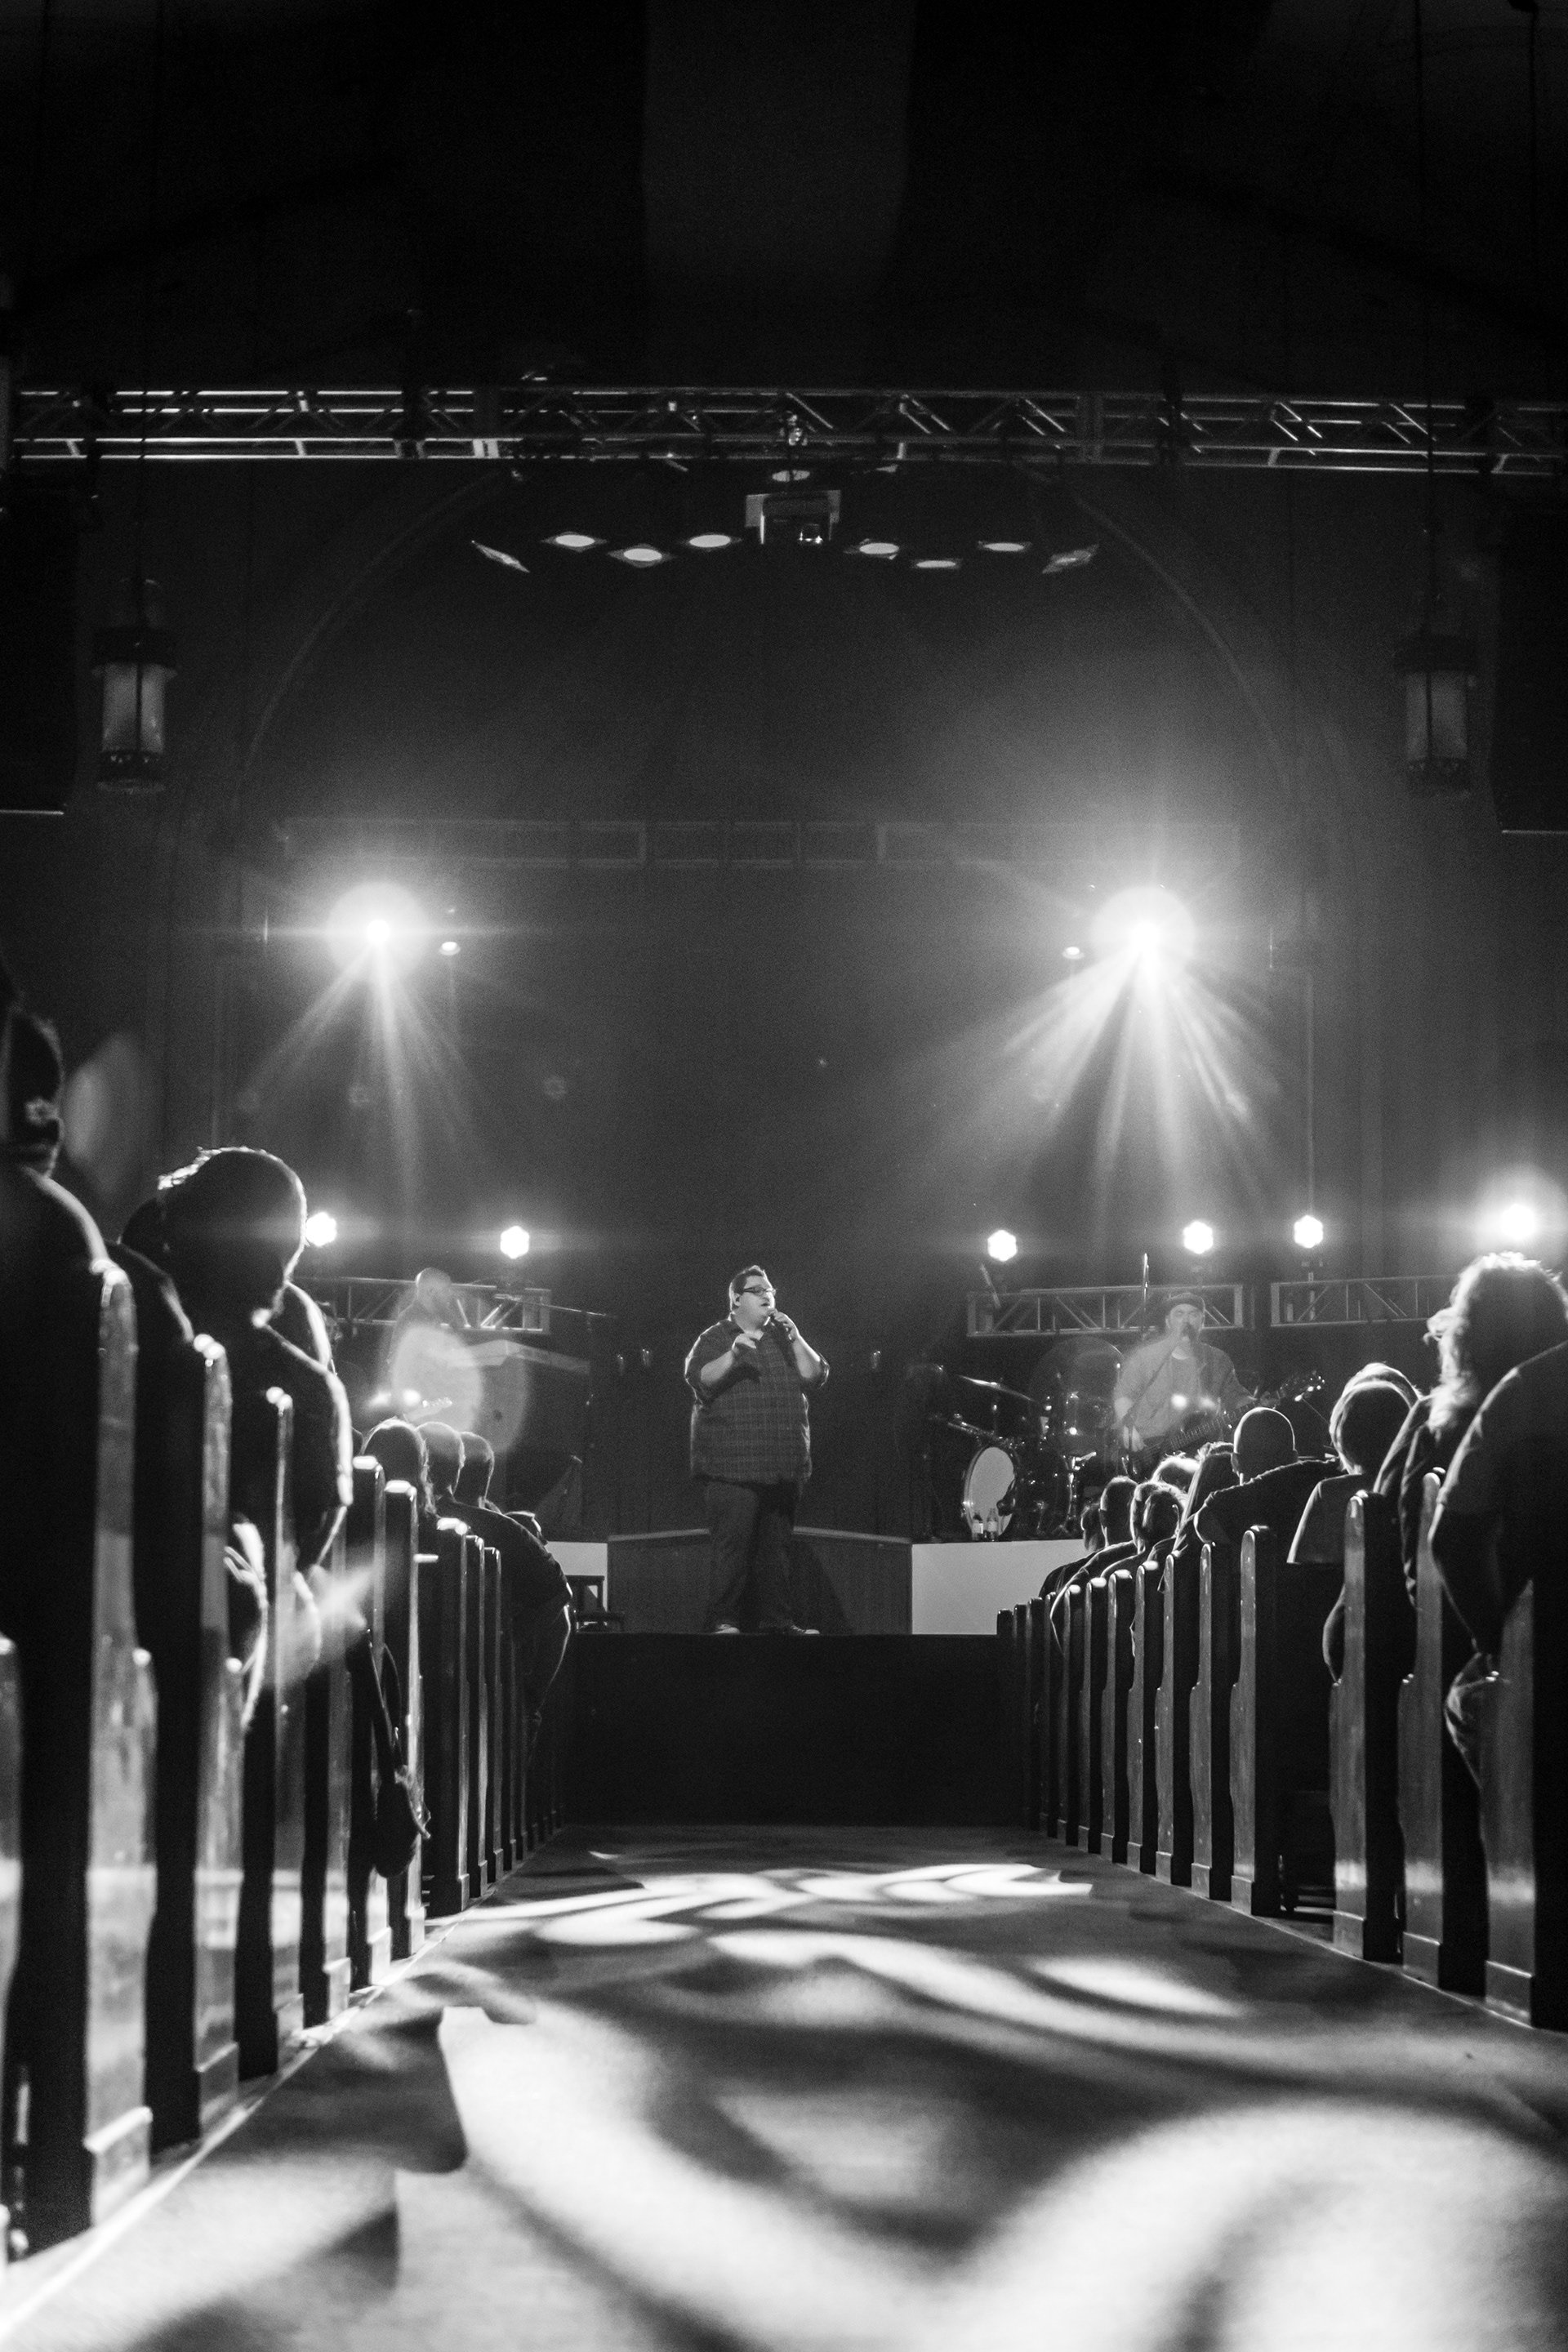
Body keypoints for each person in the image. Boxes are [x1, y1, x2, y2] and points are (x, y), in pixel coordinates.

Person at [1429, 1334, 1568, 1778]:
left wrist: (1497, 1644)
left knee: (1470, 1700)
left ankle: (1517, 1819)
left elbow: (1452, 1539)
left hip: (1551, 1655)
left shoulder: (1533, 1387)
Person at [684, 1264, 828, 1635]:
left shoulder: (784, 1337)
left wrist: (796, 1338)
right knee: (732, 1551)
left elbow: (815, 1375)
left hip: (783, 1464)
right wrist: (733, 1355)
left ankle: (779, 1623)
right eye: (758, 1290)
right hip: (733, 1467)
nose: (768, 1295)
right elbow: (699, 1379)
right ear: (736, 1298)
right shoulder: (717, 1336)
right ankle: (723, 1621)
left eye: (771, 1291)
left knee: (776, 1553)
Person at [448, 1428, 573, 1745]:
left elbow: (559, 1603)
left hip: (489, 1688)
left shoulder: (505, 1530)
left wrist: (507, 1643)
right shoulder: (504, 1527)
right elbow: (561, 1610)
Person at [1113, 1294, 1251, 1459]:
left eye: (1193, 1314)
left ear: (1202, 1321)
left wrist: (1257, 1404)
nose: (1186, 1321)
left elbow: (1235, 1397)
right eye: (1179, 1314)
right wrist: (1128, 1428)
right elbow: (1123, 1395)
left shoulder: (1216, 1359)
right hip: (1149, 1449)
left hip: (1201, 1450)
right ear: (1168, 1321)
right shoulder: (1146, 1358)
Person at [1192, 1405, 1334, 1554]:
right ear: (1294, 1458)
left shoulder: (1222, 1513)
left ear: (1234, 1462)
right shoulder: (1320, 1490)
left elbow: (1204, 1521)